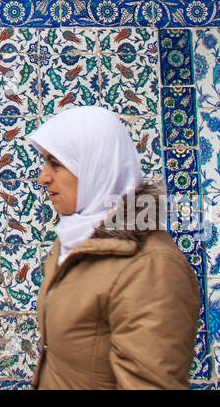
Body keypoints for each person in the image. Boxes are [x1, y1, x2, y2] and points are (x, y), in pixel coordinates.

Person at [29, 104, 200, 389]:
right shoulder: (74, 242)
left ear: (96, 167)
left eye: (56, 164)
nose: (43, 177)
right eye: (45, 163)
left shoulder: (151, 267)